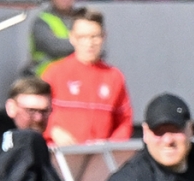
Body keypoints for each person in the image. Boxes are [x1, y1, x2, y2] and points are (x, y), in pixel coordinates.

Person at [43, 9, 133, 145]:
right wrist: (53, 131)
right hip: (61, 152)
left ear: (104, 36)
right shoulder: (55, 73)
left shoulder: (114, 76)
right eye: (82, 37)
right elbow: (36, 113)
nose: (89, 43)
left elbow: (124, 120)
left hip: (99, 155)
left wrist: (111, 145)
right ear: (72, 37)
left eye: (94, 37)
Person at [23, 0, 80, 78]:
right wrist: (83, 43)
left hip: (77, 78)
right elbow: (54, 47)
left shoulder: (84, 18)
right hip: (46, 80)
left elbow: (100, 49)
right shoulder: (42, 21)